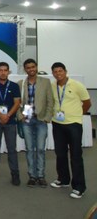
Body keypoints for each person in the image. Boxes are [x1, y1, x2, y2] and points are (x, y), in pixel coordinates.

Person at [50, 62, 91, 199]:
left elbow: (87, 103)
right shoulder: (52, 85)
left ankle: (79, 187)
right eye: (55, 72)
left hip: (73, 124)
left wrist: (77, 115)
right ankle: (63, 179)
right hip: (57, 124)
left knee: (75, 155)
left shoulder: (76, 85)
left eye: (60, 71)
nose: (58, 74)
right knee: (60, 153)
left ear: (65, 71)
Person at [17, 59, 53, 187]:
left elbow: (50, 101)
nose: (31, 69)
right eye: (28, 67)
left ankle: (41, 176)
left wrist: (47, 117)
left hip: (41, 120)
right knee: (29, 149)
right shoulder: (21, 84)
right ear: (25, 69)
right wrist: (20, 116)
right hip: (26, 120)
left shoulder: (46, 82)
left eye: (33, 67)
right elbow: (17, 103)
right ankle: (32, 176)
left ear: (36, 67)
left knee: (40, 149)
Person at [0, 62, 21, 185]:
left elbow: (17, 103)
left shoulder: (14, 86)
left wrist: (8, 115)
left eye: (5, 70)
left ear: (8, 72)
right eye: (0, 70)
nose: (3, 72)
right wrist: (0, 115)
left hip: (10, 122)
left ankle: (15, 173)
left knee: (12, 149)